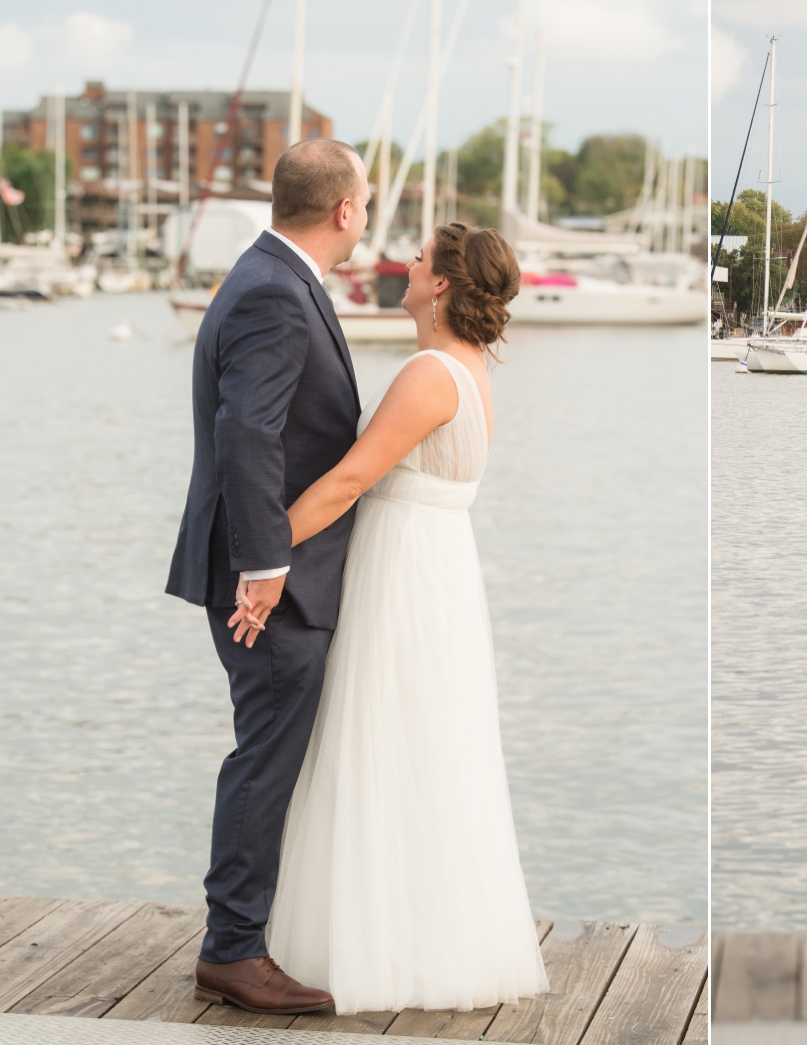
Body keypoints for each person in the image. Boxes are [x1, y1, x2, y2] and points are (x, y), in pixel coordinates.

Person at [257, 223, 549, 1014]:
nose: (407, 264)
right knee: (423, 745)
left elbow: (350, 479)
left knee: (384, 740)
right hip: (438, 566)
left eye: (420, 258)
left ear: (444, 284)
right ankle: (422, 933)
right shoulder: (470, 367)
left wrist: (260, 555)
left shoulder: (428, 372)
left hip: (406, 571)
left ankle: (380, 943)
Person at [166, 138, 370, 1014]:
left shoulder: (265, 275)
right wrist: (264, 565)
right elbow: (249, 432)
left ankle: (243, 934)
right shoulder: (276, 294)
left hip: (267, 569)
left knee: (269, 749)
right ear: (344, 211)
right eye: (365, 200)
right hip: (268, 583)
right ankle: (234, 949)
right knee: (265, 758)